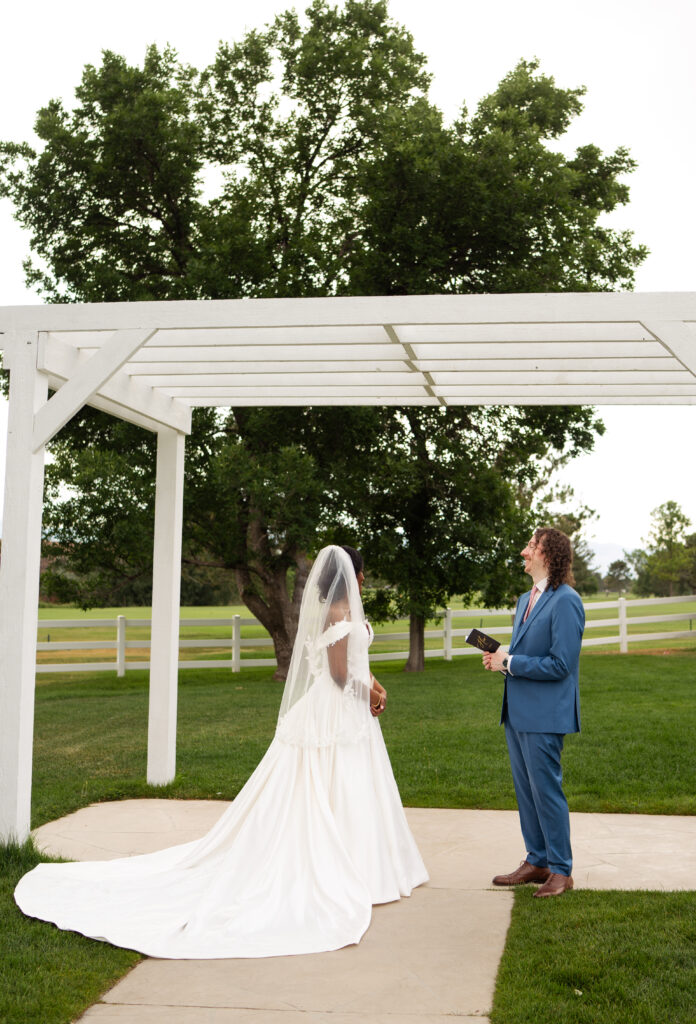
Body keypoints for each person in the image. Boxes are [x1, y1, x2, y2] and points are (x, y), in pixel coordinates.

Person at [15, 545, 428, 957]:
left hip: (351, 710)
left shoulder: (349, 611)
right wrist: (369, 696)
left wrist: (377, 688)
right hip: (333, 710)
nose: (362, 581)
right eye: (360, 574)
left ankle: (368, 866)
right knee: (326, 784)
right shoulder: (335, 614)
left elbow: (357, 662)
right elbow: (338, 675)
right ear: (350, 576)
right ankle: (333, 867)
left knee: (354, 784)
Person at [483, 528, 584, 898]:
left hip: (545, 715)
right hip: (517, 712)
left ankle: (561, 870)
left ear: (548, 555)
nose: (523, 552)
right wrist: (501, 661)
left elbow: (561, 664)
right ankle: (537, 860)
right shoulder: (525, 598)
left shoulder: (567, 601)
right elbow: (525, 655)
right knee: (526, 792)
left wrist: (510, 661)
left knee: (546, 792)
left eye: (531, 546)